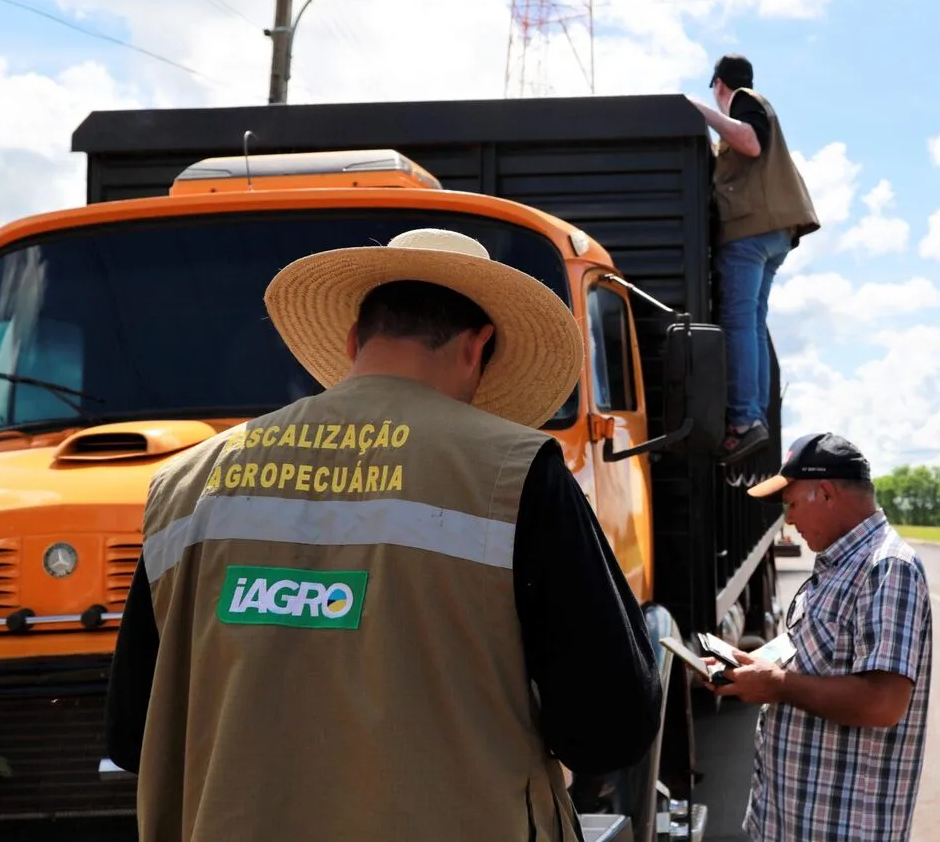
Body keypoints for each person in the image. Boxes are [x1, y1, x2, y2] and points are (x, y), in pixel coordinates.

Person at [104, 228, 663, 841]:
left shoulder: (185, 484)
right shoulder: (513, 471)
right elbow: (611, 726)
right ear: (479, 348)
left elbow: (136, 735)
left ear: (352, 342)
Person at [704, 433, 932, 841]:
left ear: (825, 493)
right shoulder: (837, 566)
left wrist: (776, 686)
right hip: (791, 823)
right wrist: (754, 668)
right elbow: (810, 658)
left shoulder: (887, 568)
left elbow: (883, 703)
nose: (788, 519)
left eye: (791, 504)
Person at [687, 54, 821, 465]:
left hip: (750, 232)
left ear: (720, 86)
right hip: (775, 232)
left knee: (740, 322)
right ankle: (753, 417)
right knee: (754, 325)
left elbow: (749, 141)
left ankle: (745, 421)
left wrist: (699, 110)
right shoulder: (755, 104)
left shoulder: (745, 100)